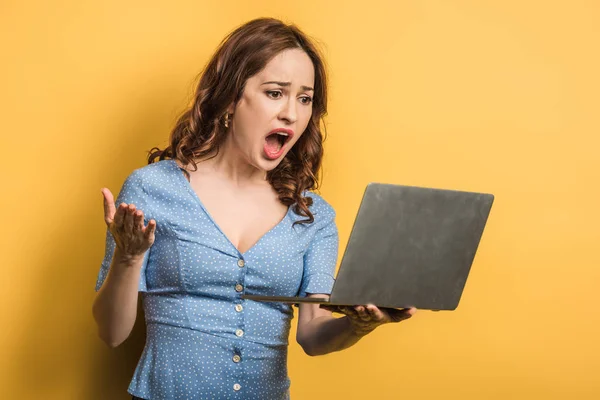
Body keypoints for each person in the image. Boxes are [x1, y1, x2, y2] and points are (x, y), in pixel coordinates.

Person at [92, 17, 417, 400]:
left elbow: (313, 335)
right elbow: (112, 333)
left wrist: (361, 326)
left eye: (305, 98)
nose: (291, 115)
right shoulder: (153, 188)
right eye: (275, 93)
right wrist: (129, 259)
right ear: (231, 98)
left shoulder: (313, 216)